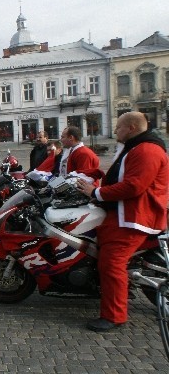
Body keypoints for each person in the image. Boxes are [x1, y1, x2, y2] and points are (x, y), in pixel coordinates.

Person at [75, 112, 168, 332]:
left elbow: (133, 186)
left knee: (111, 262)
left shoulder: (147, 150)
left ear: (132, 127)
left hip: (135, 216)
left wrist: (96, 192)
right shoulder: (136, 147)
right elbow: (121, 176)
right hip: (124, 213)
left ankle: (114, 316)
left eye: (119, 127)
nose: (116, 131)